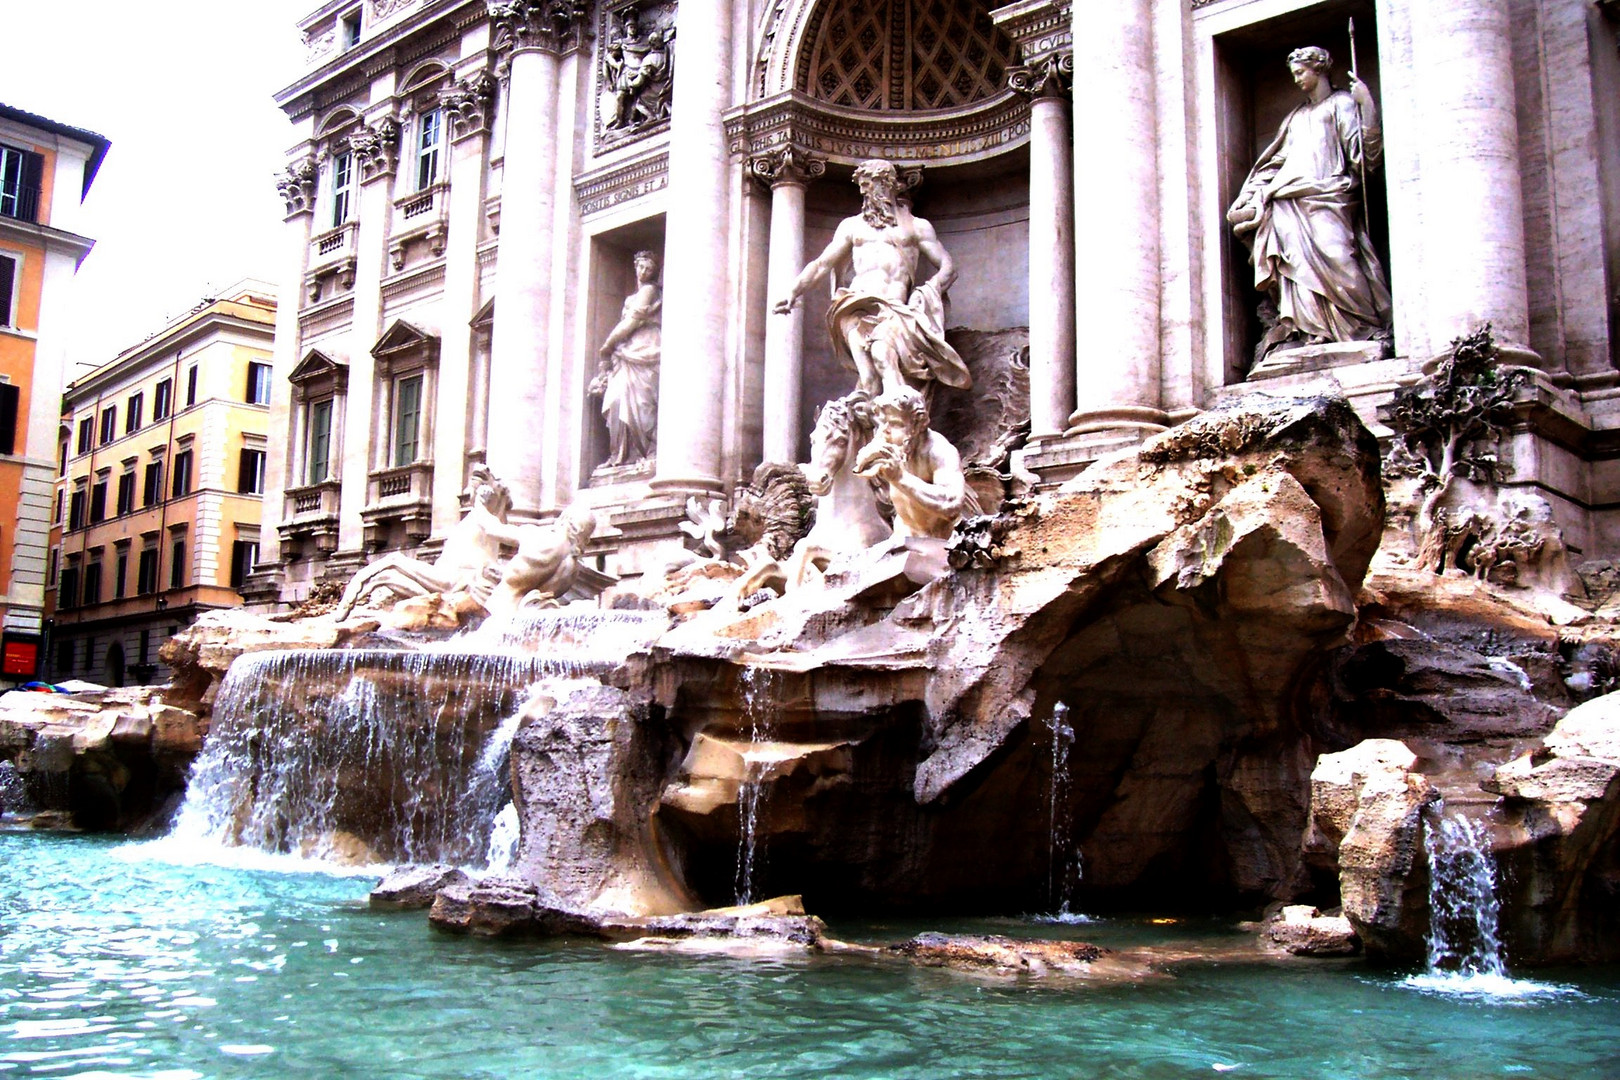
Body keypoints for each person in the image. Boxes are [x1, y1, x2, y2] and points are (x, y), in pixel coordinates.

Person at [1226, 46, 1392, 362]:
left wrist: (1367, 105)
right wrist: (1251, 198)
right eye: (1293, 74)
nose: (1297, 79)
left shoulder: (1342, 104)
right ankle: (1310, 331)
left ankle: (1361, 326)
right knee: (1296, 266)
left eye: (1301, 72)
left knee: (1339, 256)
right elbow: (1275, 163)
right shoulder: (1296, 117)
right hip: (1288, 202)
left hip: (1331, 195)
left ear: (1318, 70)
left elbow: (1364, 155)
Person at [773, 159, 971, 399]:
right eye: (864, 188)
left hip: (893, 309)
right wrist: (793, 291)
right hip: (854, 307)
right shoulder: (852, 227)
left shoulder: (916, 227)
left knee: (883, 358)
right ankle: (866, 431)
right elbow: (822, 264)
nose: (868, 194)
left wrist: (927, 291)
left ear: (890, 186)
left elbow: (948, 267)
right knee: (867, 378)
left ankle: (900, 426)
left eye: (873, 186)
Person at [333, 467, 521, 618]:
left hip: (457, 578)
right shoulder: (478, 516)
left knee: (394, 559)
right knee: (387, 576)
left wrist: (483, 500)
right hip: (448, 579)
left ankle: (349, 597)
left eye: (494, 479)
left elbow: (498, 526)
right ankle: (351, 603)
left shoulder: (487, 518)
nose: (485, 469)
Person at [852, 387, 971, 541]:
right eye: (883, 423)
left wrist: (900, 478)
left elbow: (951, 503)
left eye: (895, 424)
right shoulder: (893, 444)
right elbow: (861, 468)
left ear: (918, 424)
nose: (885, 431)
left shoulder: (939, 451)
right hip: (902, 536)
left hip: (941, 541)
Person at [590, 250, 662, 466]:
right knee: (617, 400)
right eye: (641, 267)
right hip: (627, 350)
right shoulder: (632, 296)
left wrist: (607, 346)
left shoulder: (649, 290)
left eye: (649, 269)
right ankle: (620, 455)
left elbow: (631, 322)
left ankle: (642, 452)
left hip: (645, 346)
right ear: (635, 266)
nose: (644, 272)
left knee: (641, 402)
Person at [484, 505, 599, 617]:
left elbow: (492, 529)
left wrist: (480, 505)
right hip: (529, 621)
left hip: (500, 611)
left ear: (565, 519)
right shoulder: (573, 569)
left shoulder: (541, 538)